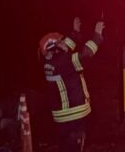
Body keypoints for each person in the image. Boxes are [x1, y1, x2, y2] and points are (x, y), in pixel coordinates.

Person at [40, 17, 104, 152]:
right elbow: (85, 55)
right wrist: (97, 35)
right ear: (54, 49)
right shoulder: (64, 62)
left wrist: (75, 32)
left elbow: (65, 48)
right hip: (74, 116)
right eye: (60, 42)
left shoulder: (50, 61)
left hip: (63, 118)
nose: (64, 43)